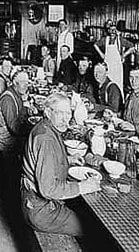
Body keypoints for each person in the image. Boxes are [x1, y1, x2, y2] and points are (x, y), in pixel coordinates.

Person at [21, 93, 100, 236]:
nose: (66, 118)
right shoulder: (46, 139)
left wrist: (68, 159)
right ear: (48, 112)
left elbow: (46, 160)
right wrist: (82, 187)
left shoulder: (46, 127)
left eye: (68, 112)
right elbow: (48, 190)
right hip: (41, 211)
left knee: (83, 212)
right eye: (60, 113)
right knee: (93, 228)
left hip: (35, 202)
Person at [0, 71, 29, 156]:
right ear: (15, 84)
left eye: (27, 83)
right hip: (5, 139)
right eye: (23, 84)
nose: (26, 87)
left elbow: (19, 113)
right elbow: (15, 129)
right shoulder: (8, 100)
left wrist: (25, 106)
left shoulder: (16, 93)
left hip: (11, 133)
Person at [93, 23, 134, 95]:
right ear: (108, 31)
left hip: (117, 66)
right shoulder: (105, 39)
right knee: (106, 82)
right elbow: (95, 45)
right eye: (110, 30)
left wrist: (123, 55)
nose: (112, 32)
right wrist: (102, 54)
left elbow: (132, 46)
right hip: (107, 65)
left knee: (117, 83)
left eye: (114, 30)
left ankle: (119, 100)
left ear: (116, 31)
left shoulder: (120, 40)